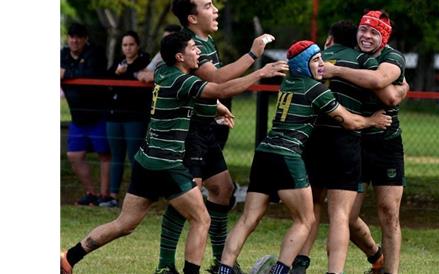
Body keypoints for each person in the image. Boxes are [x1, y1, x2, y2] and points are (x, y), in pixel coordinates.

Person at [60, 31, 289, 274]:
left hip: (146, 160)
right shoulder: (183, 81)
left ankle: (69, 258)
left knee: (124, 224)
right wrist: (260, 72)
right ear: (180, 56)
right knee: (202, 220)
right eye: (193, 48)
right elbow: (220, 89)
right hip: (167, 164)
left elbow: (192, 99)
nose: (198, 51)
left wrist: (215, 109)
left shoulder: (163, 72)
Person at [217, 40, 392, 274]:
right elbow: (349, 121)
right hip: (287, 155)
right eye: (316, 60)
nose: (322, 64)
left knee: (249, 218)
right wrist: (373, 121)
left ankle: (224, 269)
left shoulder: (288, 82)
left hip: (264, 153)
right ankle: (281, 271)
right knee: (305, 220)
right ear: (302, 65)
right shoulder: (315, 89)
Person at [156, 0, 279, 273]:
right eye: (208, 6)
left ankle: (221, 263)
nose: (216, 10)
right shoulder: (188, 45)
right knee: (186, 197)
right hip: (190, 134)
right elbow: (217, 79)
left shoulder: (205, 40)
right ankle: (164, 266)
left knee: (223, 191)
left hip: (205, 129)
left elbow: (208, 91)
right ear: (192, 17)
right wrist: (253, 55)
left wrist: (216, 107)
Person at [290, 21, 408, 274]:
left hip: (384, 143)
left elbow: (387, 92)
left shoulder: (390, 58)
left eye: (374, 32)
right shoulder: (352, 58)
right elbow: (391, 95)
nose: (366, 36)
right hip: (352, 139)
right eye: (363, 30)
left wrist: (336, 71)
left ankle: (389, 270)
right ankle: (375, 256)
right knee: (345, 216)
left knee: (387, 212)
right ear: (353, 36)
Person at [60, 22, 112, 206]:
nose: (74, 41)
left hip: (98, 114)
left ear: (85, 39)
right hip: (77, 116)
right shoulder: (63, 54)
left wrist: (66, 72)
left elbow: (89, 73)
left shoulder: (95, 53)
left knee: (104, 154)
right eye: (71, 37)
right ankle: (91, 192)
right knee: (74, 155)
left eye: (78, 37)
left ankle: (105, 196)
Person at [102, 30, 152, 207]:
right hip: (114, 117)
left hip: (135, 118)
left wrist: (128, 73)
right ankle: (112, 196)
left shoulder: (145, 62)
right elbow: (105, 81)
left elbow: (144, 85)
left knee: (134, 157)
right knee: (116, 156)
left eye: (131, 44)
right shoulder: (118, 63)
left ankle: (138, 197)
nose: (128, 48)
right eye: (125, 45)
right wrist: (117, 73)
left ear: (137, 45)